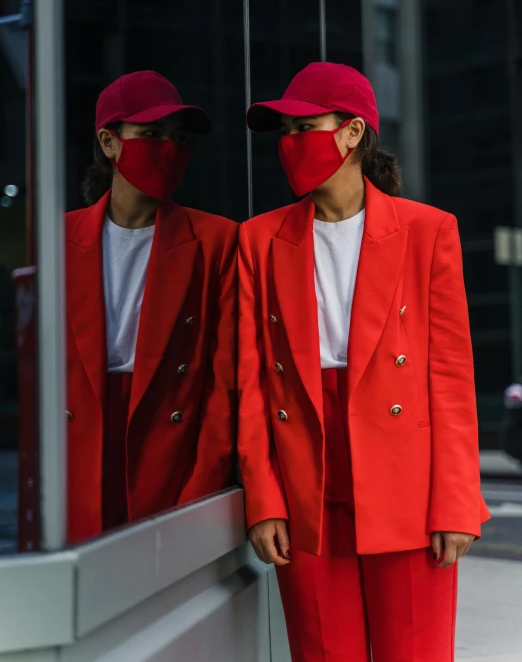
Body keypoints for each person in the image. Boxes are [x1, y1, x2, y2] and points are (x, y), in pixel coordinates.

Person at [238, 62, 490, 662]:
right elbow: (247, 380)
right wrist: (263, 499)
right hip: (306, 477)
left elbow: (450, 376)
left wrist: (455, 502)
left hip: (407, 478)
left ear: (352, 133)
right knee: (323, 652)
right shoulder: (257, 239)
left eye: (305, 126)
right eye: (285, 131)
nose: (290, 143)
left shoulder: (429, 231)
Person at [66, 70, 237, 544]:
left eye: (177, 138)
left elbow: (226, 386)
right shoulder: (58, 240)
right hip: (81, 452)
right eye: (150, 134)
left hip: (169, 454)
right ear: (109, 141)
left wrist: (201, 491)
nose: (168, 148)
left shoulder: (216, 239)